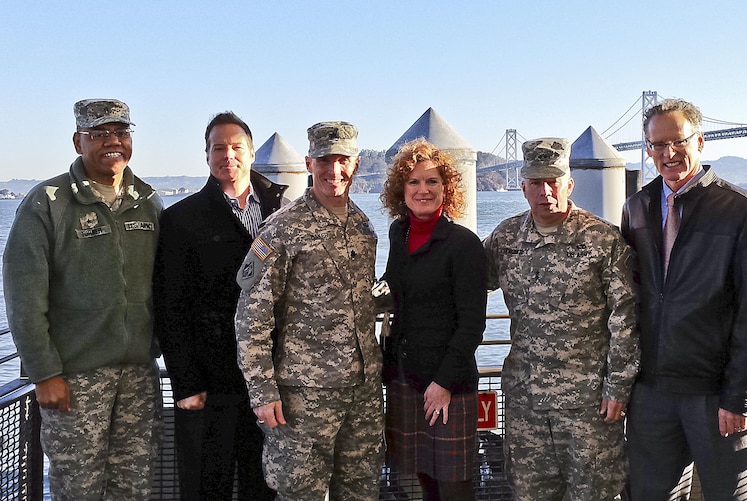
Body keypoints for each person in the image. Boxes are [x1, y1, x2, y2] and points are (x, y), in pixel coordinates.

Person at [3, 99, 162, 499]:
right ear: (78, 141)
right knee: (78, 488)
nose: (113, 142)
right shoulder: (47, 203)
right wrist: (44, 373)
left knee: (136, 486)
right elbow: (23, 296)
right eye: (99, 134)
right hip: (73, 380)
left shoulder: (149, 201)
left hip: (139, 376)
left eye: (121, 132)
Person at [621, 98, 747, 500]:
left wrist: (739, 396)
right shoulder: (636, 206)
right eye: (657, 144)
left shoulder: (740, 208)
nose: (668, 153)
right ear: (648, 149)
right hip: (651, 391)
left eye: (678, 141)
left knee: (732, 495)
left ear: (700, 141)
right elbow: (626, 298)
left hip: (715, 392)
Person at [483, 137, 639, 500]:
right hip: (526, 406)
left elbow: (626, 318)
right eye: (536, 182)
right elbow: (464, 287)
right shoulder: (505, 239)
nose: (545, 190)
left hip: (588, 407)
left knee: (595, 494)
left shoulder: (602, 240)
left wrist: (617, 389)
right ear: (523, 187)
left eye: (553, 180)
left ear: (569, 183)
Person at [234, 121, 384, 500]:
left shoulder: (364, 228)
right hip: (303, 395)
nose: (334, 171)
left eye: (343, 160)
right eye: (324, 160)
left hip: (362, 392)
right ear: (308, 163)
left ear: (357, 164)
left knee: (361, 490)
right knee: (300, 493)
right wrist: (261, 390)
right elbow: (252, 315)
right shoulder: (281, 229)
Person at [153, 112, 287, 500]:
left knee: (261, 486)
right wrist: (186, 382)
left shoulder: (282, 211)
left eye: (235, 147)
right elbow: (170, 305)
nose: (227, 154)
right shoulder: (181, 219)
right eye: (217, 148)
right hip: (209, 384)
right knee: (204, 485)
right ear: (207, 156)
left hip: (268, 382)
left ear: (250, 153)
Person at [379, 139, 487, 501]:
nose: (423, 190)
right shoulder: (399, 233)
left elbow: (472, 324)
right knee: (424, 479)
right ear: (401, 189)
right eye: (413, 182)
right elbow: (395, 290)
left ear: (447, 188)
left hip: (448, 385)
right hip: (406, 377)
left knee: (455, 486)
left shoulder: (464, 244)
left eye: (432, 182)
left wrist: (443, 382)